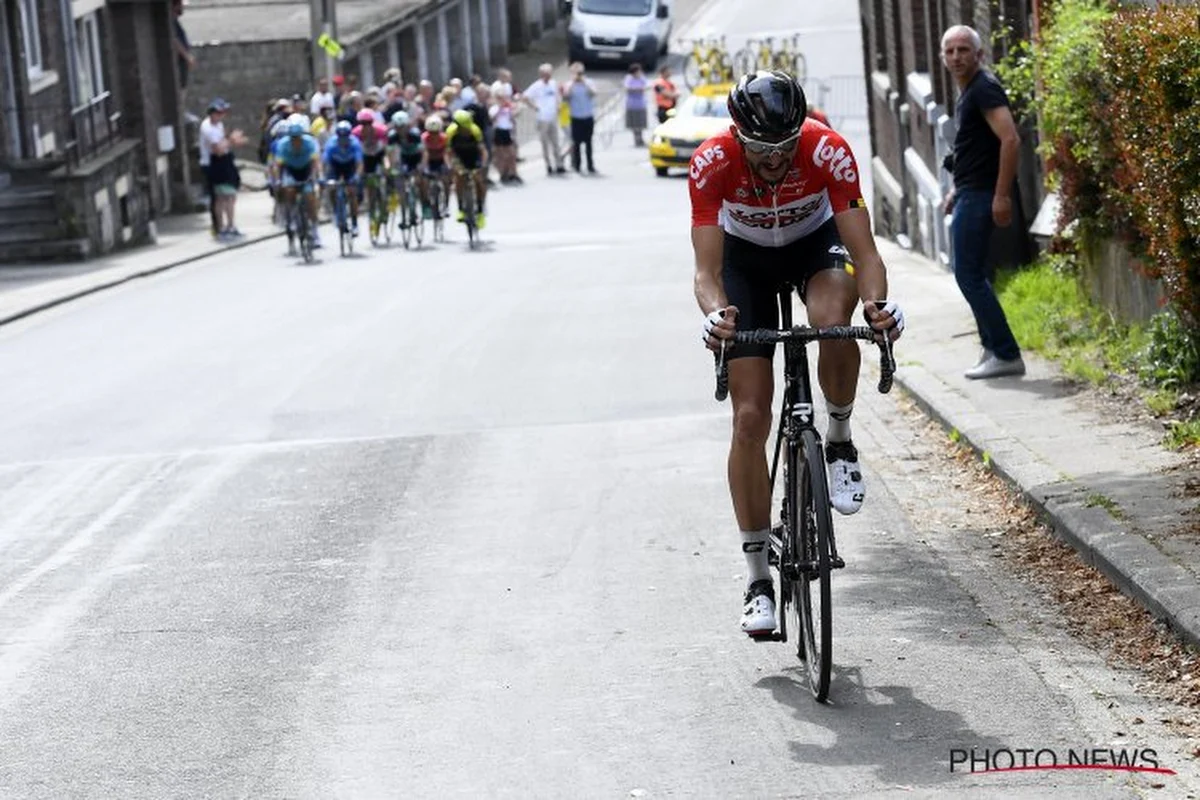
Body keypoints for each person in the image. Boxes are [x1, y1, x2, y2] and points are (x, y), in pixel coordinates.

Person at [689, 71, 904, 636]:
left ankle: (836, 439)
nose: (775, 159)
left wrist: (878, 307)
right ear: (739, 138)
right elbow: (707, 272)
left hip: (816, 244)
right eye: (761, 149)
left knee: (833, 324)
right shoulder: (712, 163)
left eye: (784, 147)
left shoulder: (827, 151)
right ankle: (759, 576)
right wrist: (716, 313)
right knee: (750, 418)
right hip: (746, 265)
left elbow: (868, 253)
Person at [940, 25, 1025, 380]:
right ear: (944, 58)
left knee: (968, 274)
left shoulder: (984, 89)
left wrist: (1001, 195)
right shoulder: (970, 92)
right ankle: (993, 349)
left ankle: (1005, 352)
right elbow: (977, 150)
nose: (957, 56)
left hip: (982, 195)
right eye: (951, 51)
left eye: (964, 50)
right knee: (974, 274)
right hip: (970, 192)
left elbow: (1010, 140)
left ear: (979, 55)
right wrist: (955, 191)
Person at [199, 98, 245, 240]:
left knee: (228, 196)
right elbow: (218, 149)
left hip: (224, 161)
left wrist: (231, 142)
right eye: (219, 112)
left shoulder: (218, 125)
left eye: (223, 112)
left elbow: (223, 143)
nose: (222, 115)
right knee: (222, 197)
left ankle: (227, 226)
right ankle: (222, 228)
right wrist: (231, 140)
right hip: (215, 164)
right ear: (212, 113)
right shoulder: (208, 127)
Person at [272, 118, 323, 248]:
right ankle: (292, 215)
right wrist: (277, 180)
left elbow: (316, 163)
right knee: (289, 190)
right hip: (291, 171)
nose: (296, 140)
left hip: (306, 170)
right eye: (293, 138)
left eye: (298, 137)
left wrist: (319, 177)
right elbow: (277, 166)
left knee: (310, 198)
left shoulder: (309, 143)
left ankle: (315, 231)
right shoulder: (283, 144)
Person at [446, 108, 489, 228]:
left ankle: (480, 211)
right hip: (459, 157)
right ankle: (461, 208)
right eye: (463, 128)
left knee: (479, 180)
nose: (466, 130)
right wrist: (451, 165)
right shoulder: (451, 132)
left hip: (473, 156)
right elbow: (448, 152)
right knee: (459, 178)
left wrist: (483, 164)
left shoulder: (475, 130)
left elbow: (483, 150)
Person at [353, 109, 391, 237]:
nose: (366, 126)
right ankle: (371, 207)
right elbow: (357, 157)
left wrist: (387, 166)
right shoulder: (356, 134)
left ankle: (385, 202)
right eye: (363, 123)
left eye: (369, 123)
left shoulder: (381, 131)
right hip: (365, 159)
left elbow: (386, 154)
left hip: (379, 156)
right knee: (369, 185)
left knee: (384, 177)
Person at [322, 120, 364, 236]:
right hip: (335, 166)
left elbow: (359, 163)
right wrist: (323, 177)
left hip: (349, 166)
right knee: (332, 187)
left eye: (345, 136)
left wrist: (356, 176)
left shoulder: (355, 143)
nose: (343, 139)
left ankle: (355, 224)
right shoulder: (331, 144)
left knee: (352, 192)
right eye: (341, 136)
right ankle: (336, 212)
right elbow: (325, 163)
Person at [523, 63, 566, 176]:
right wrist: (534, 107)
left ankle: (559, 164)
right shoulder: (536, 86)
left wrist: (558, 105)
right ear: (541, 74)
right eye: (546, 74)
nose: (548, 76)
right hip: (542, 118)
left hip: (552, 117)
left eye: (549, 73)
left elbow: (557, 96)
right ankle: (548, 165)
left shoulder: (553, 83)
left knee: (555, 142)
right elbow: (525, 97)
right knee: (545, 143)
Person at [563, 62, 597, 174]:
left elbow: (593, 94)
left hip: (587, 116)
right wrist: (573, 83)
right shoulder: (569, 84)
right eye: (576, 73)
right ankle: (577, 165)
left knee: (588, 142)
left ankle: (590, 165)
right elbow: (566, 97)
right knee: (576, 143)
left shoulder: (589, 82)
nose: (578, 75)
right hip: (576, 117)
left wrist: (584, 83)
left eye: (580, 73)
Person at [419, 115, 451, 219]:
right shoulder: (424, 138)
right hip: (428, 161)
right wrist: (423, 167)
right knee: (423, 181)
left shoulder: (444, 138)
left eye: (436, 132)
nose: (433, 135)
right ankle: (426, 203)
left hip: (441, 160)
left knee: (446, 180)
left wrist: (448, 166)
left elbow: (447, 153)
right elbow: (424, 153)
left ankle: (446, 204)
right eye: (431, 132)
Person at [490, 86, 521, 185]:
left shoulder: (508, 108)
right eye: (500, 98)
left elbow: (514, 116)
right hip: (499, 132)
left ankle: (514, 173)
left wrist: (514, 109)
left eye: (503, 97)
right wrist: (499, 109)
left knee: (512, 154)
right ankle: (503, 173)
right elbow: (492, 119)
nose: (503, 100)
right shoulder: (494, 108)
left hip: (508, 131)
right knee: (502, 155)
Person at [172, 0, 193, 105]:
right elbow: (174, 40)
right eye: (180, 5)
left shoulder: (175, 22)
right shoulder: (171, 22)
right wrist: (187, 56)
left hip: (182, 64)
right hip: (179, 63)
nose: (183, 8)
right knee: (179, 94)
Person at [624, 63, 649, 147]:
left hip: (641, 104)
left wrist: (637, 89)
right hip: (632, 105)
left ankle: (641, 138)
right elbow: (628, 88)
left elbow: (647, 86)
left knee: (641, 123)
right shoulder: (629, 78)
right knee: (634, 123)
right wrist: (638, 89)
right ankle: (636, 138)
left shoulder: (642, 78)